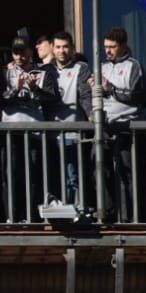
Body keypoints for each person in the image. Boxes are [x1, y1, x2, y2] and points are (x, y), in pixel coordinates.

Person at [0, 38, 55, 222]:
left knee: (33, 176)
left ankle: (32, 217)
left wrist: (34, 88)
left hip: (35, 131)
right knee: (11, 175)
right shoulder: (5, 73)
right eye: (15, 52)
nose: (19, 56)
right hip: (11, 131)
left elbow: (52, 99)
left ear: (31, 51)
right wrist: (15, 89)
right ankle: (12, 218)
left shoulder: (44, 72)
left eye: (23, 52)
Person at [100, 26, 146, 222]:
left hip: (127, 128)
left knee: (127, 173)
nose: (108, 51)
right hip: (104, 127)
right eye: (105, 47)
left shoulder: (133, 66)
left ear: (123, 46)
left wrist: (111, 89)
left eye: (112, 47)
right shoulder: (101, 67)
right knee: (102, 171)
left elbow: (139, 98)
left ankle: (130, 217)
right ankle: (109, 214)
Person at [46, 32, 92, 208]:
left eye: (65, 47)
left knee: (72, 176)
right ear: (52, 48)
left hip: (73, 133)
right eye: (58, 47)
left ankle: (74, 211)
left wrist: (92, 116)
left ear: (72, 48)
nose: (62, 51)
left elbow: (85, 96)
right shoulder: (45, 69)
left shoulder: (81, 68)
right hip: (50, 134)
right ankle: (57, 213)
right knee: (53, 176)